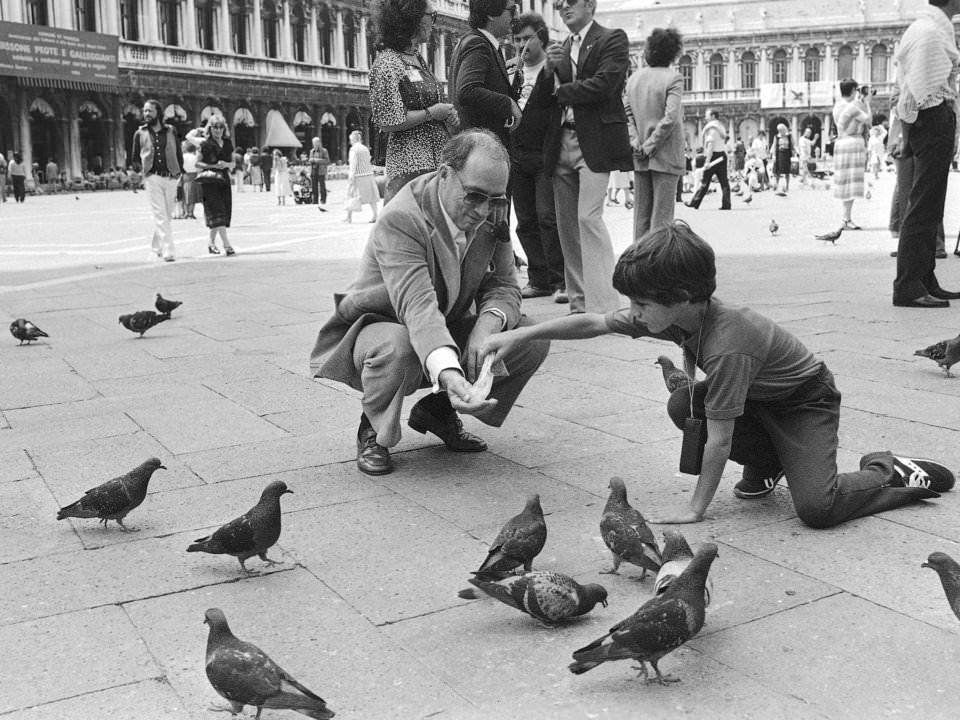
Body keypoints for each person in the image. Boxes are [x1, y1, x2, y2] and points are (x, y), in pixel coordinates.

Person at [480, 220, 956, 528]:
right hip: (759, 398)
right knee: (682, 403)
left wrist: (695, 508)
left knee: (818, 508)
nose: (634, 313)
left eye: (641, 304)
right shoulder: (671, 313)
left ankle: (887, 469)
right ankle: (770, 463)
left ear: (683, 296)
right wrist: (519, 336)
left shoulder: (729, 341)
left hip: (805, 400)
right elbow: (593, 322)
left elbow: (720, 440)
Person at [309, 129, 550, 476]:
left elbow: (504, 286)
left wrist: (489, 324)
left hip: (444, 317)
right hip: (383, 323)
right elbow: (417, 305)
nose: (485, 210)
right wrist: (451, 372)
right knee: (400, 345)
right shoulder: (402, 218)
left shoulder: (493, 210)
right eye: (474, 196)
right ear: (444, 175)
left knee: (530, 336)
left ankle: (436, 411)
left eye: (496, 199)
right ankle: (373, 428)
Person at [535, 0, 633, 314]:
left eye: (570, 1)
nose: (563, 7)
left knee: (588, 218)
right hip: (560, 139)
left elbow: (606, 85)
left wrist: (562, 91)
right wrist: (548, 72)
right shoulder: (559, 48)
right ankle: (579, 301)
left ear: (590, 5)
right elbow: (542, 99)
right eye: (558, 3)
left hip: (594, 141)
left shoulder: (612, 38)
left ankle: (604, 302)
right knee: (566, 225)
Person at [370, 0, 457, 204]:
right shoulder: (388, 63)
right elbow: (387, 121)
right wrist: (432, 113)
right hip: (410, 167)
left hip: (436, 163)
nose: (433, 23)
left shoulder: (416, 58)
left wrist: (447, 113)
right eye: (430, 16)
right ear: (413, 19)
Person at [508, 13, 566, 303]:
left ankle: (560, 279)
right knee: (525, 220)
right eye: (517, 39)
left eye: (526, 38)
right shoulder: (512, 72)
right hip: (516, 153)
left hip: (543, 153)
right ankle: (538, 278)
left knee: (547, 217)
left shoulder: (552, 68)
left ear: (541, 38)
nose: (521, 44)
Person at [624, 26, 685, 240]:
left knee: (640, 217)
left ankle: (637, 264)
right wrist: (651, 145)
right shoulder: (673, 78)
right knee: (662, 218)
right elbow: (671, 117)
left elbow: (626, 114)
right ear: (673, 52)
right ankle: (657, 268)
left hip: (639, 156)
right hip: (666, 156)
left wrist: (636, 142)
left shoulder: (634, 79)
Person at [447, 0, 522, 148]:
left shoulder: (481, 43)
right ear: (491, 14)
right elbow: (467, 91)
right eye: (512, 10)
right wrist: (508, 103)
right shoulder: (478, 44)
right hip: (479, 150)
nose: (516, 17)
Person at [130, 99, 183, 261]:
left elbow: (178, 152)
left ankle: (156, 246)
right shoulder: (140, 133)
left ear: (158, 113)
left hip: (171, 176)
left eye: (150, 111)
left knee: (167, 214)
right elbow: (135, 157)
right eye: (145, 111)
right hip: (152, 177)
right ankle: (169, 250)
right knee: (160, 214)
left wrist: (179, 171)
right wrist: (141, 173)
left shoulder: (171, 130)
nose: (146, 114)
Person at [189, 115, 237, 256]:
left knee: (221, 212)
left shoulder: (228, 143)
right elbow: (197, 163)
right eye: (214, 127)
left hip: (224, 180)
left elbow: (233, 164)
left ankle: (211, 243)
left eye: (220, 127)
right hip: (210, 181)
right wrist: (213, 165)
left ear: (224, 128)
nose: (218, 130)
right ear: (209, 128)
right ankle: (227, 245)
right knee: (217, 210)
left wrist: (226, 164)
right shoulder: (205, 144)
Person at [831, 79, 871, 230]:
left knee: (845, 183)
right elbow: (869, 121)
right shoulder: (853, 106)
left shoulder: (837, 106)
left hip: (841, 143)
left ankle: (846, 217)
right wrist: (866, 102)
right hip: (853, 143)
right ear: (854, 90)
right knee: (852, 184)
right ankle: (846, 218)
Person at [686, 109, 730, 210]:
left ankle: (695, 202)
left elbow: (710, 145)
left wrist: (707, 161)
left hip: (713, 156)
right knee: (724, 182)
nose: (705, 117)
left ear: (713, 116)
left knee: (705, 182)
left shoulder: (711, 128)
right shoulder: (721, 126)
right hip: (722, 155)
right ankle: (726, 204)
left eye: (707, 115)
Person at [343, 131, 380, 223]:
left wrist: (351, 176)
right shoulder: (365, 148)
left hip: (358, 176)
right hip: (368, 174)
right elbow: (368, 160)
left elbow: (353, 164)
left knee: (351, 194)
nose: (350, 141)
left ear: (354, 139)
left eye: (350, 139)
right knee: (372, 197)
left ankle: (348, 217)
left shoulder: (353, 150)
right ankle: (375, 215)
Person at [768, 123, 795, 196]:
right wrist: (773, 155)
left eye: (782, 130)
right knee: (777, 171)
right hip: (779, 153)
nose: (781, 131)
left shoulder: (789, 136)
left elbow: (793, 145)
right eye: (779, 130)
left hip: (786, 154)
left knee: (787, 171)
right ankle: (776, 185)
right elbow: (774, 146)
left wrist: (795, 152)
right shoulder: (776, 136)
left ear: (784, 129)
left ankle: (787, 186)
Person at [309, 137, 330, 210]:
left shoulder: (324, 151)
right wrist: (311, 160)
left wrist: (317, 160)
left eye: (315, 143)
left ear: (319, 143)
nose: (314, 145)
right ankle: (315, 201)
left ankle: (323, 200)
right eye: (313, 143)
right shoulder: (312, 151)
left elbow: (327, 161)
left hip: (321, 171)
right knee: (314, 187)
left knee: (322, 187)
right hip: (314, 171)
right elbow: (310, 159)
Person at [181, 140, 199, 219]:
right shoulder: (195, 157)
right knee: (192, 195)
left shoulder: (182, 157)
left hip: (184, 175)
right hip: (194, 175)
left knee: (184, 195)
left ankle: (185, 212)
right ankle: (191, 212)